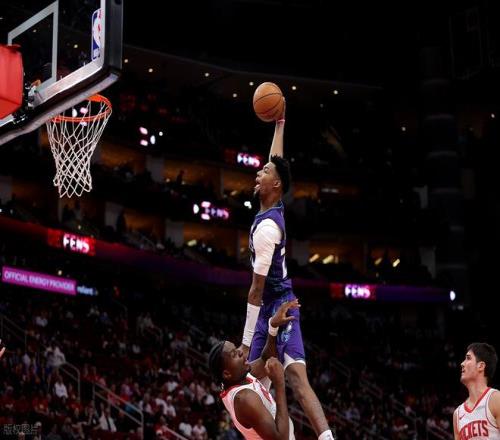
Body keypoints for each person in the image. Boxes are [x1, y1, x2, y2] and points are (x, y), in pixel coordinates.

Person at [241, 107, 334, 440]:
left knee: (295, 377)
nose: (259, 172)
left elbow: (255, 291)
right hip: (271, 305)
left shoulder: (267, 228)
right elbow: (276, 161)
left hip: (279, 304)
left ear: (275, 184)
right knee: (251, 382)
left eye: (264, 172)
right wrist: (279, 125)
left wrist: (244, 342)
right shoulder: (273, 205)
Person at [209, 300, 299, 439]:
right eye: (234, 354)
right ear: (226, 373)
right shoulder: (245, 399)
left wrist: (273, 327)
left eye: (236, 349)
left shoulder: (240, 377)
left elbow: (265, 359)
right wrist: (279, 383)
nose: (240, 352)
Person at [453, 342, 500, 439]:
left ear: (481, 366)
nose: (462, 364)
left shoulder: (495, 399)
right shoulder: (457, 414)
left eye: (468, 358)